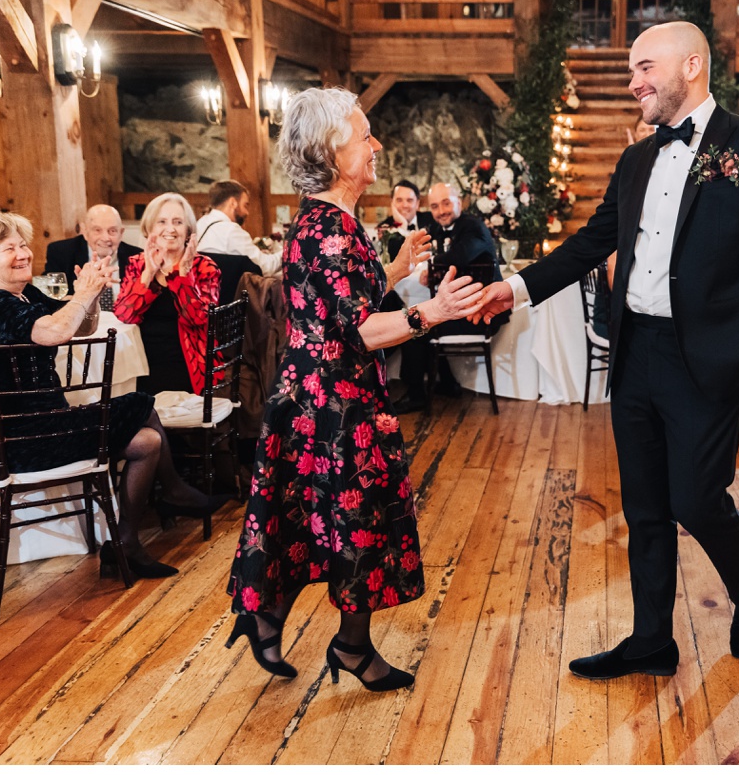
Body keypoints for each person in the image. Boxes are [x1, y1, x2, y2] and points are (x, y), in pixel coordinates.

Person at [466, 21, 739, 679]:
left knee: (696, 498)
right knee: (645, 505)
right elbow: (592, 244)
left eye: (645, 67)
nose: (633, 83)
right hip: (636, 351)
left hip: (706, 356)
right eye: (631, 70)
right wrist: (514, 288)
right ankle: (652, 639)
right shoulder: (636, 158)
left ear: (693, 65)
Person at [225, 86, 479, 690]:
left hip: (316, 394)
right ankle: (346, 645)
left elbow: (341, 302)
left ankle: (276, 618)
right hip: (334, 403)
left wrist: (392, 268)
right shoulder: (330, 230)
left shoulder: (327, 222)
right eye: (365, 135)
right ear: (332, 150)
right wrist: (433, 312)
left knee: (319, 517)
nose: (376, 144)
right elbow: (361, 329)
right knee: (352, 519)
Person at [0, 211, 215, 580]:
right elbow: (55, 331)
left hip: (44, 425)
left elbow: (79, 325)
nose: (24, 253)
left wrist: (89, 296)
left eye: (23, 244)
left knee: (148, 440)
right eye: (10, 248)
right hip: (17, 439)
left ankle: (127, 540)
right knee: (140, 403)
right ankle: (167, 498)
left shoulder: (19, 294)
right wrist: (85, 294)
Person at [387, 182, 507, 413]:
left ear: (458, 203)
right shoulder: (440, 229)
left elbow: (462, 254)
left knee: (415, 324)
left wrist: (432, 268)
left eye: (446, 203)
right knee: (423, 315)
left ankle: (416, 394)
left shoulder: (473, 226)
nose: (441, 210)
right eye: (434, 206)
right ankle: (449, 383)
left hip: (481, 313)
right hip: (461, 309)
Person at [114, 192, 224, 394]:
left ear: (188, 229)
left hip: (187, 362)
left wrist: (183, 275)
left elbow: (197, 318)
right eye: (161, 221)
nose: (170, 229)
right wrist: (148, 273)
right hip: (139, 360)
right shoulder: (137, 264)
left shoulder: (205, 268)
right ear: (149, 229)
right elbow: (125, 315)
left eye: (178, 222)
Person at [42, 204, 142, 310]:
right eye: (97, 230)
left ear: (121, 233)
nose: (105, 238)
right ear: (85, 232)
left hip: (125, 323)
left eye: (112, 231)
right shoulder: (61, 252)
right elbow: (51, 298)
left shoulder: (137, 257)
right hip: (80, 322)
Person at [194, 180, 283, 276]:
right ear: (233, 203)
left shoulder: (200, 223)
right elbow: (264, 267)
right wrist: (289, 251)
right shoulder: (230, 230)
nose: (247, 212)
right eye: (245, 205)